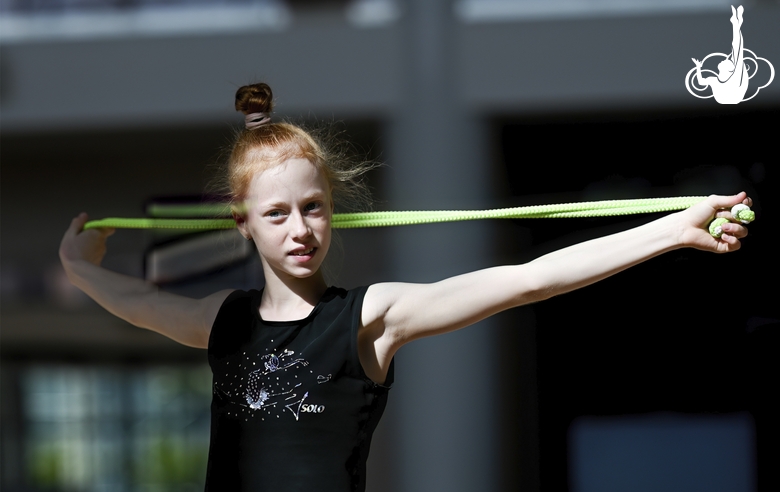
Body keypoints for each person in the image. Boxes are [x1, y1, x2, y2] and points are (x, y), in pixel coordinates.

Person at [59, 82, 752, 491]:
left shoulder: (371, 316)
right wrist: (81, 267)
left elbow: (527, 281)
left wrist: (671, 229)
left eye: (314, 207)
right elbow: (141, 304)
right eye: (277, 214)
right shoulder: (224, 320)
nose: (300, 228)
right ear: (244, 224)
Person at [692, 5, 748, 104]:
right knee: (736, 50)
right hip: (726, 100)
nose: (724, 59)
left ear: (729, 69)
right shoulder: (714, 80)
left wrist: (736, 26)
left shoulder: (735, 77)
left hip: (733, 98)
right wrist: (698, 67)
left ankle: (736, 24)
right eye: (727, 60)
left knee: (737, 50)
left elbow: (737, 48)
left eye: (727, 61)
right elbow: (701, 82)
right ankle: (736, 24)